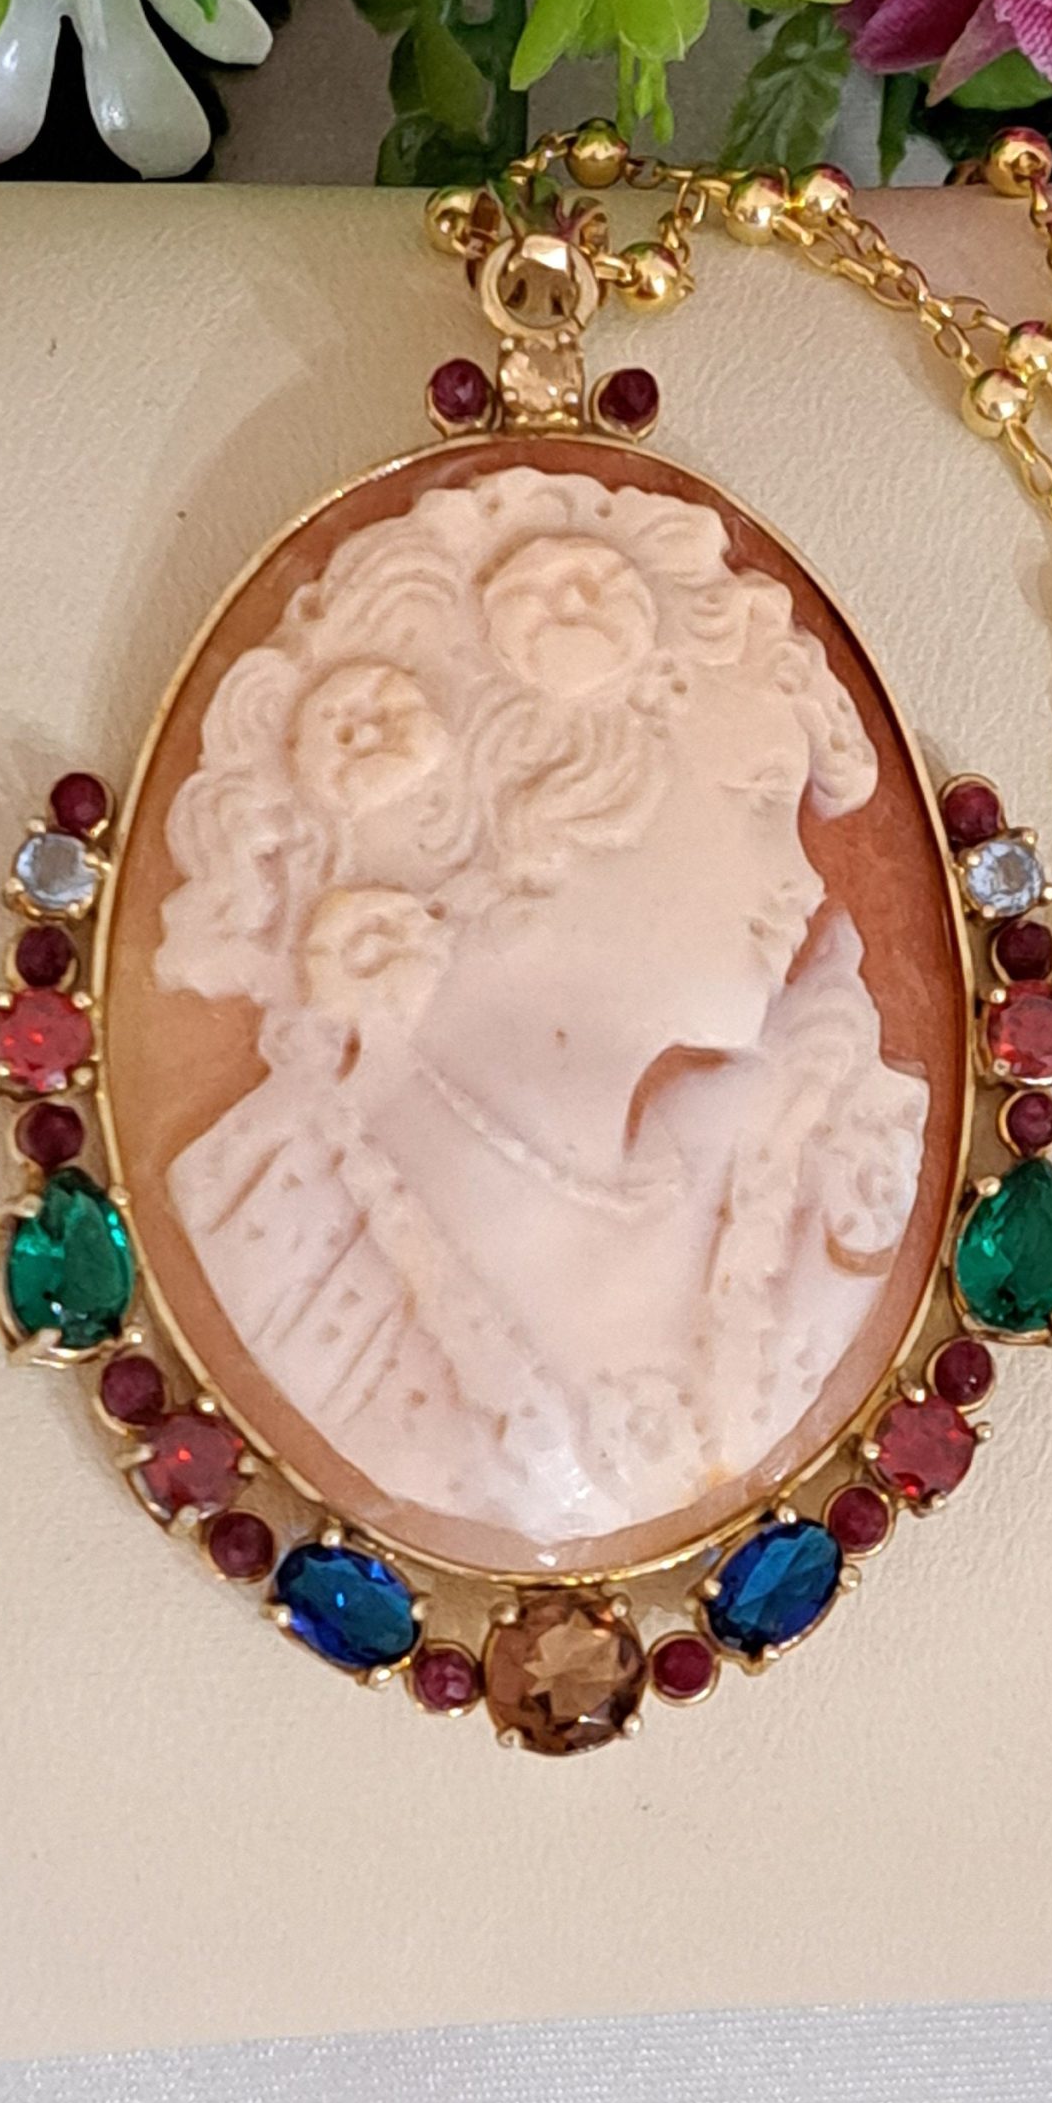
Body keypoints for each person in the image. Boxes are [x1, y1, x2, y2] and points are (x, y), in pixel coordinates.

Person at [155, 463, 928, 1555]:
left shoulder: (800, 1174)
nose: (805, 886)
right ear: (546, 798)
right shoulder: (283, 1233)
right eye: (760, 803)